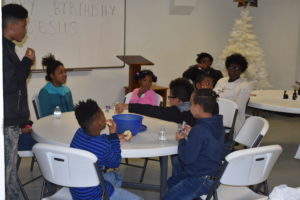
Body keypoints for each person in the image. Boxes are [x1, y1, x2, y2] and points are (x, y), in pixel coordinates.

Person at [70, 99, 142, 200]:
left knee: (116, 177)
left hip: (77, 191)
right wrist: (113, 135)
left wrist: (113, 137)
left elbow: (95, 142)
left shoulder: (79, 133)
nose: (105, 117)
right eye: (103, 115)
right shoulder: (102, 146)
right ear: (99, 122)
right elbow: (116, 162)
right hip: (96, 195)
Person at [162, 89, 225, 200]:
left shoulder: (199, 130)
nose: (190, 107)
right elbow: (207, 139)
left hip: (201, 179)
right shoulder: (217, 124)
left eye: (191, 104)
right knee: (171, 182)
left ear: (199, 107)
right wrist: (192, 133)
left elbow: (187, 158)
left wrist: (181, 140)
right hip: (213, 174)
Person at [2, 4, 35, 199]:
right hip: (6, 121)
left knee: (11, 168)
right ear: (12, 26)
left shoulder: (7, 49)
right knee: (7, 171)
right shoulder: (3, 51)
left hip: (11, 119)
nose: (25, 30)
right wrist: (27, 61)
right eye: (23, 25)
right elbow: (10, 84)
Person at [116, 78, 196, 126]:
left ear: (178, 99)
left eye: (170, 96)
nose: (169, 99)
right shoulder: (196, 107)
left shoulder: (179, 113)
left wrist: (128, 106)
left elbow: (153, 110)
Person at [214, 53, 253, 137]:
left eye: (237, 68)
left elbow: (237, 108)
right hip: (215, 116)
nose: (234, 70)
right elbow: (212, 97)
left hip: (232, 121)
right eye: (231, 67)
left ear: (241, 70)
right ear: (227, 68)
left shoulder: (244, 85)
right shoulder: (221, 81)